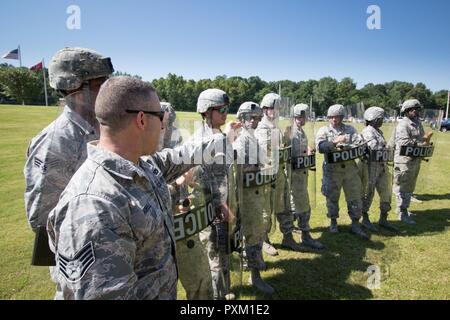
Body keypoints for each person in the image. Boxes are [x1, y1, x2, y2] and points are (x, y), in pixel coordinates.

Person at [47, 76, 228, 299]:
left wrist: (224, 138)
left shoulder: (141, 165)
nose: (163, 125)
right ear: (141, 120)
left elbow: (181, 156)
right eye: (160, 117)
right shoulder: (94, 205)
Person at [24, 47, 114, 269]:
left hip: (112, 251)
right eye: (100, 84)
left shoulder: (104, 129)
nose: (108, 91)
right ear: (74, 87)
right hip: (81, 260)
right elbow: (42, 217)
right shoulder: (54, 142)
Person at [192, 89, 235, 300]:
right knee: (215, 258)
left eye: (227, 109)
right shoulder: (204, 140)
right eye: (222, 110)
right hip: (211, 211)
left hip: (223, 206)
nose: (226, 113)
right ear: (207, 111)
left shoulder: (218, 137)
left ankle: (224, 292)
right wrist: (221, 205)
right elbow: (206, 179)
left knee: (224, 253)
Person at [233, 101, 274, 294]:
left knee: (255, 234)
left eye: (258, 118)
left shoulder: (252, 138)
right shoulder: (240, 141)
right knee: (248, 236)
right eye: (251, 118)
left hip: (255, 194)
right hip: (245, 197)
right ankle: (251, 276)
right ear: (241, 119)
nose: (255, 121)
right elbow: (240, 170)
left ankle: (255, 274)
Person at [255, 93, 301, 255]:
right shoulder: (261, 129)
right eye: (272, 108)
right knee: (265, 209)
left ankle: (287, 237)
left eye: (278, 108)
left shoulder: (276, 127)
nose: (276, 111)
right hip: (266, 176)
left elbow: (282, 149)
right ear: (265, 109)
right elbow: (263, 153)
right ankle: (263, 239)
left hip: (279, 173)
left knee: (284, 206)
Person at [315, 104, 369, 239]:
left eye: (337, 117)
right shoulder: (324, 130)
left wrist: (352, 146)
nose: (334, 120)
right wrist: (334, 142)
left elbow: (361, 144)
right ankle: (333, 222)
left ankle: (355, 224)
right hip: (332, 171)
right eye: (331, 117)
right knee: (332, 198)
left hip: (350, 170)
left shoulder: (350, 129)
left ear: (342, 117)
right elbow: (321, 147)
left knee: (355, 197)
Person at [287, 104, 325, 249]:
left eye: (304, 117)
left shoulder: (300, 132)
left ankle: (300, 232)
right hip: (294, 176)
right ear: (295, 117)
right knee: (300, 206)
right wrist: (303, 155)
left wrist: (308, 150)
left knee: (300, 205)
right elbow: (288, 154)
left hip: (301, 175)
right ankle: (302, 235)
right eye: (300, 116)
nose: (303, 119)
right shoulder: (291, 131)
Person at [393, 99, 433, 224]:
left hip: (415, 159)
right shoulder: (403, 124)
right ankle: (402, 213)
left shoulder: (417, 123)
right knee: (403, 187)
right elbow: (404, 142)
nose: (415, 111)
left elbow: (421, 137)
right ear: (406, 111)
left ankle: (403, 209)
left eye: (417, 109)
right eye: (412, 109)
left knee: (409, 187)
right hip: (404, 161)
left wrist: (425, 141)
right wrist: (421, 143)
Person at [359, 107, 398, 232]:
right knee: (368, 193)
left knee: (386, 192)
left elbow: (383, 147)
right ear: (374, 119)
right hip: (370, 167)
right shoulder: (368, 131)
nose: (382, 121)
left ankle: (383, 218)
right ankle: (364, 219)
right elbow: (374, 148)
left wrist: (387, 148)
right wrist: (386, 148)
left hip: (382, 166)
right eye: (381, 118)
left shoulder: (378, 131)